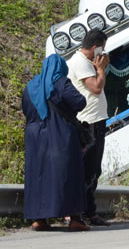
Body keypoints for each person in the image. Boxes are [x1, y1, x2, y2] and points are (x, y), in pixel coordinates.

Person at [23, 54, 90, 232]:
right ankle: (75, 218)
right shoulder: (60, 82)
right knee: (68, 174)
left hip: (35, 138)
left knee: (38, 176)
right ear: (61, 67)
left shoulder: (30, 86)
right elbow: (80, 102)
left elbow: (26, 108)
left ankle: (39, 219)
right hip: (60, 135)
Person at [67, 29, 110, 226]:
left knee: (94, 169)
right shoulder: (80, 62)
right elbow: (96, 87)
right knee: (89, 169)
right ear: (95, 47)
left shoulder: (86, 62)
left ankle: (88, 210)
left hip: (96, 120)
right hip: (89, 122)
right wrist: (101, 69)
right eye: (103, 47)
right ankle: (84, 211)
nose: (104, 52)